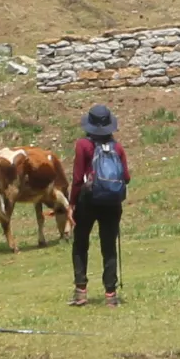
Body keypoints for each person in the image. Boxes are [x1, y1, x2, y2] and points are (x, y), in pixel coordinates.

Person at [67, 103, 129, 306]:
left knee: (80, 244)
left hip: (88, 200)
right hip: (111, 203)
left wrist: (71, 204)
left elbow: (77, 179)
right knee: (109, 245)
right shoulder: (117, 147)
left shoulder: (83, 145)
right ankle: (110, 294)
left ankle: (81, 291)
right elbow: (126, 177)